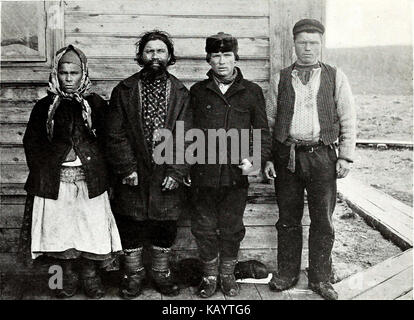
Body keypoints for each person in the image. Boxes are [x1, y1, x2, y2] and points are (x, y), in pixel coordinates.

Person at [264, 19, 357, 300]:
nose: (308, 48)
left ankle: (320, 277)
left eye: (313, 43)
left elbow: (348, 118)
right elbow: (269, 121)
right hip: (288, 158)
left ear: (321, 45)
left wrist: (346, 157)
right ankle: (287, 273)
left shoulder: (335, 76)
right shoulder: (281, 77)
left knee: (323, 220)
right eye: (302, 42)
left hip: (323, 157)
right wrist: (268, 158)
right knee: (288, 219)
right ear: (294, 44)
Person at [21, 45, 122, 299]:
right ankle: (65, 276)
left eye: (74, 73)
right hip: (55, 181)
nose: (68, 78)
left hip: (90, 179)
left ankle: (89, 275)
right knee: (60, 230)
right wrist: (44, 170)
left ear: (83, 73)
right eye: (63, 72)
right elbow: (31, 143)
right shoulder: (45, 106)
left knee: (90, 229)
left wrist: (103, 172)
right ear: (56, 73)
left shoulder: (96, 105)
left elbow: (109, 140)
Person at [104, 30, 192, 299]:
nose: (155, 56)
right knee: (131, 223)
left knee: (164, 224)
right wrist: (126, 167)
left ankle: (161, 274)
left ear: (169, 56)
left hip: (166, 172)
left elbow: (187, 135)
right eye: (150, 51)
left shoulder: (180, 93)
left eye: (161, 51)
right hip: (134, 171)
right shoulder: (124, 90)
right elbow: (114, 133)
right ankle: (133, 275)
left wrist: (176, 171)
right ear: (141, 56)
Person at [190, 32, 271, 298]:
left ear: (236, 57)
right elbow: (186, 132)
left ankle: (227, 276)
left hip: (235, 175)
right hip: (203, 172)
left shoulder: (251, 92)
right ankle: (209, 276)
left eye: (227, 55)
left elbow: (261, 132)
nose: (222, 61)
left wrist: (252, 162)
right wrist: (188, 167)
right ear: (208, 59)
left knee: (232, 227)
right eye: (216, 56)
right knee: (203, 226)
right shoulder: (198, 92)